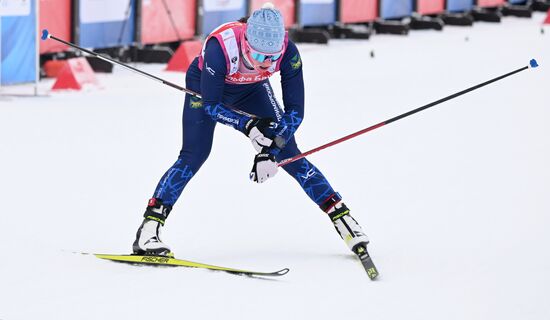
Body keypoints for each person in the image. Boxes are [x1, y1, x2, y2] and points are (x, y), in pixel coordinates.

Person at [132, 3, 371, 259]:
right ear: (245, 42)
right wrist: (249, 127)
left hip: (252, 89)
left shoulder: (288, 51)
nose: (264, 63)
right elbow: (212, 106)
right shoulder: (220, 47)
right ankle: (149, 230)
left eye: (271, 58)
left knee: (290, 154)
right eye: (258, 56)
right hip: (208, 86)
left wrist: (271, 149)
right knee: (194, 154)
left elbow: (295, 112)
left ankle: (342, 219)